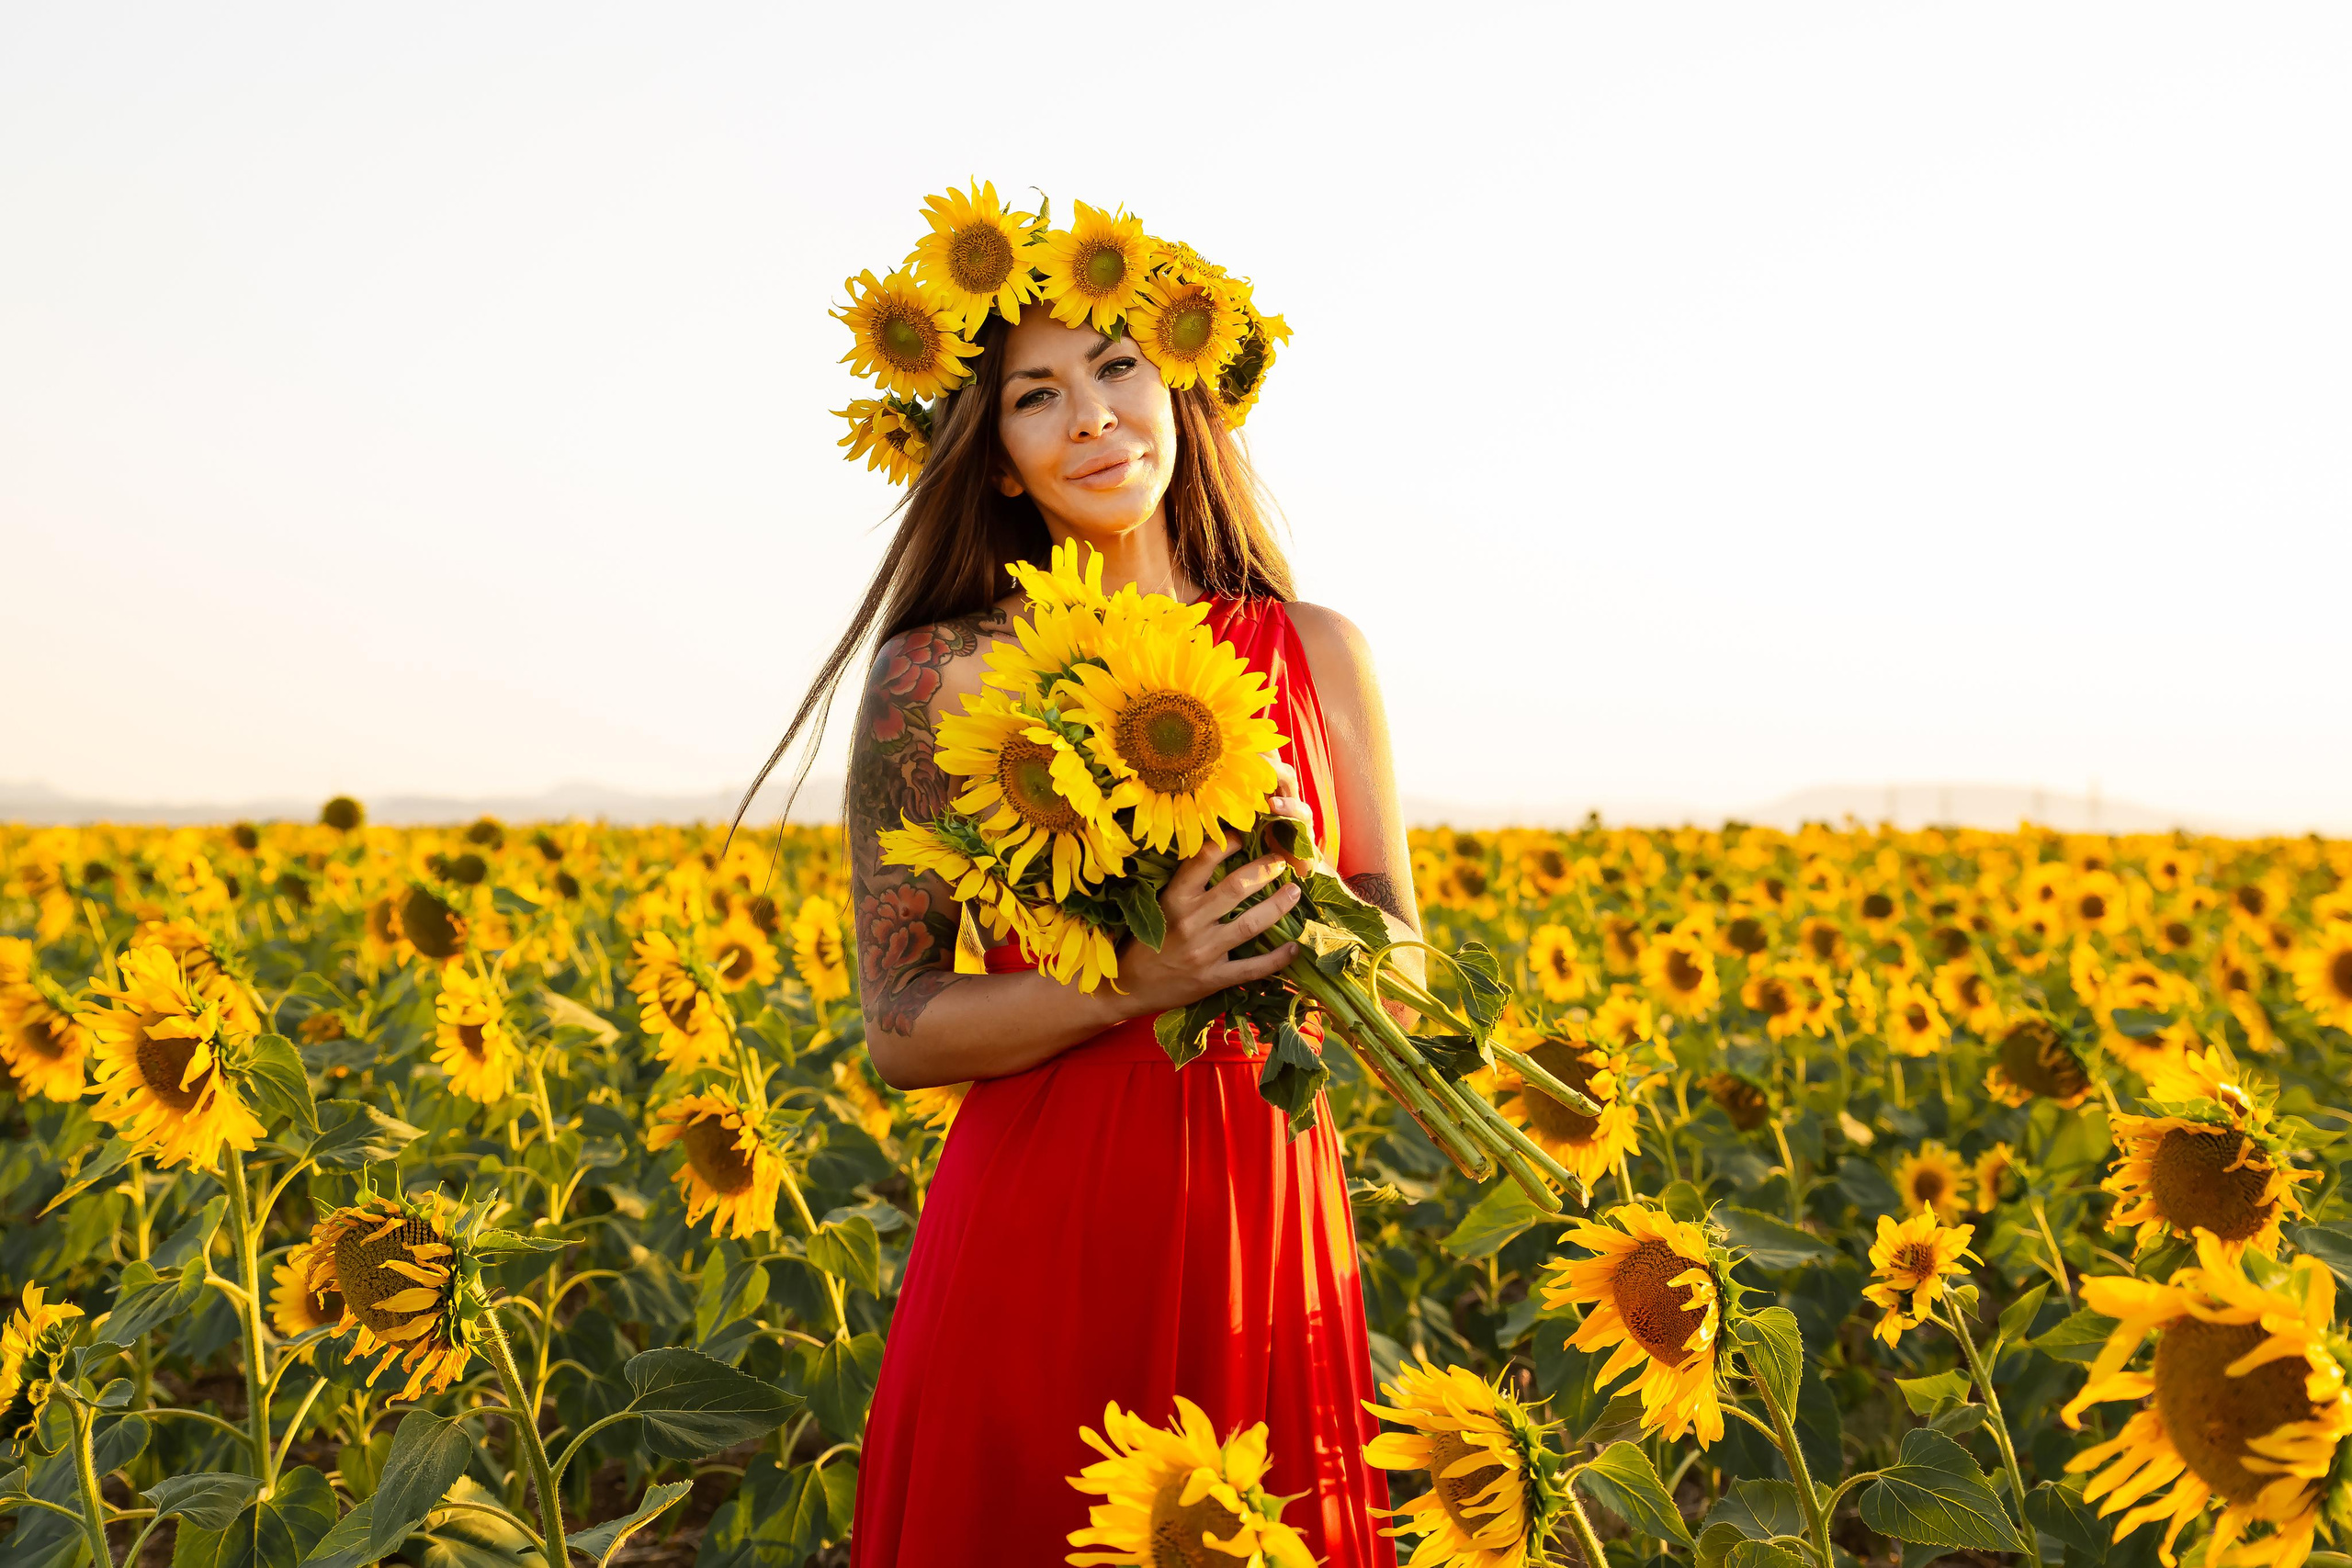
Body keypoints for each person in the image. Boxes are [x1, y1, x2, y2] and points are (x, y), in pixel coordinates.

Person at [744, 186, 1419, 1566]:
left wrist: (1318, 904)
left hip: (1264, 1206)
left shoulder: (1318, 653)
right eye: (1037, 397)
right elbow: (901, 1029)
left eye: (1118, 367)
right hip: (1044, 1207)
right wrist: (1139, 978)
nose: (1094, 418)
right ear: (995, 459)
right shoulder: (939, 677)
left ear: (1179, 389)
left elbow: (1407, 985)